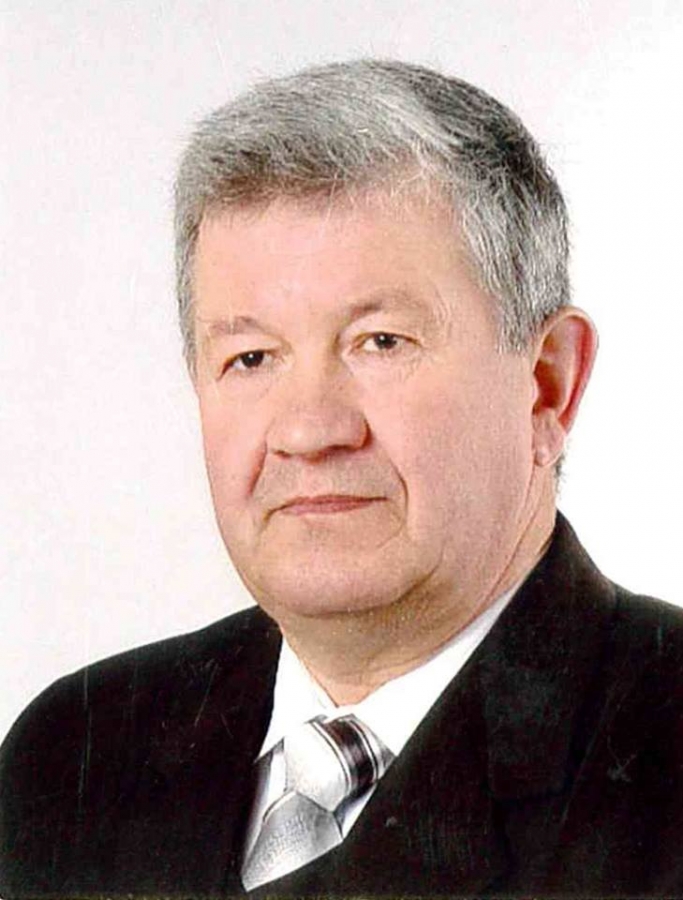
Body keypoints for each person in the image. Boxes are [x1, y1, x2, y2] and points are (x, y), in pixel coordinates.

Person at [1, 58, 682, 900]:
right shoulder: (72, 757)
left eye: (380, 343)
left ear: (546, 385)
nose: (308, 430)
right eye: (252, 357)